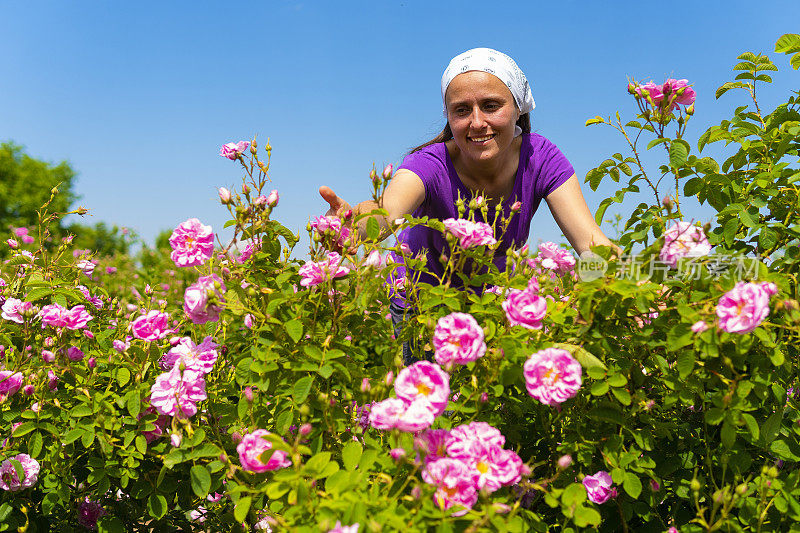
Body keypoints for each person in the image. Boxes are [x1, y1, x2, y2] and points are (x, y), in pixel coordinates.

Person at [318, 48, 615, 362]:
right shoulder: (430, 164)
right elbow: (386, 210)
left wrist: (635, 288)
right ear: (449, 116)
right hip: (419, 314)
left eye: (490, 106)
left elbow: (593, 244)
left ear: (518, 108)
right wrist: (351, 225)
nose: (477, 122)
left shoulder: (541, 159)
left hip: (488, 314)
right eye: (461, 110)